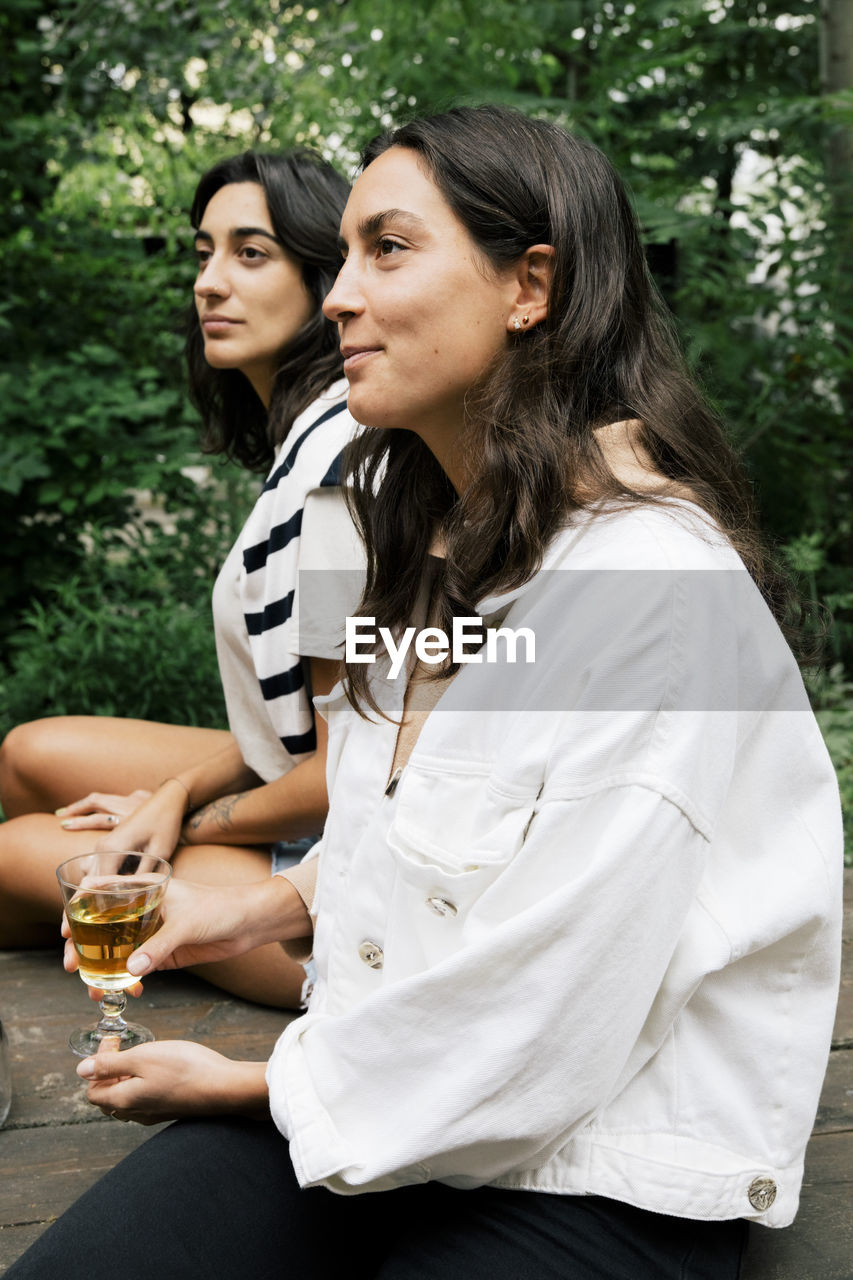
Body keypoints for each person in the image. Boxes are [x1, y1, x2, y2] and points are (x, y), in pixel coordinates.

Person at [6, 106, 842, 1280]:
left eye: (385, 249)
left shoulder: (653, 589)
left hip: (592, 1160)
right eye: (340, 255)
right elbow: (411, 821)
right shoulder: (434, 543)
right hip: (382, 1083)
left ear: (528, 286)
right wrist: (239, 911)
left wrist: (255, 1084)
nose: (339, 294)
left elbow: (549, 1015)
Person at [0, 149, 362, 1008]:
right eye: (202, 254)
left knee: (21, 847)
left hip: (338, 870)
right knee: (28, 752)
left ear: (324, 278)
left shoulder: (339, 469)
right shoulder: (308, 438)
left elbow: (357, 762)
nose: (208, 282)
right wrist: (167, 795)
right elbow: (304, 728)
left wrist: (181, 820)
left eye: (250, 253)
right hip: (307, 781)